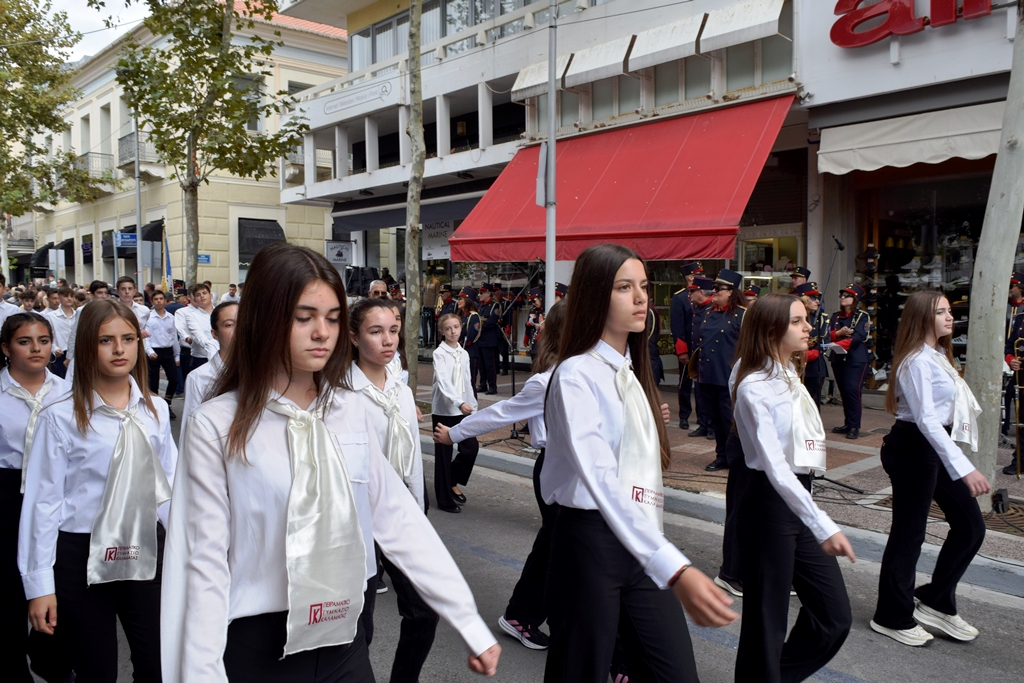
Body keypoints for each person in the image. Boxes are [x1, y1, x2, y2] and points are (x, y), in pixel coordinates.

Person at [161, 243, 500, 681]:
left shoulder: (350, 409)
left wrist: (467, 619)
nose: (322, 332)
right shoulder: (217, 424)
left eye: (333, 318)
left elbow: (398, 519)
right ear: (266, 318)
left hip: (344, 641)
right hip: (258, 646)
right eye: (304, 317)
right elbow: (202, 565)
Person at [541, 244, 736, 683]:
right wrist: (677, 567)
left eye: (644, 286)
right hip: (589, 541)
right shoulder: (576, 376)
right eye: (624, 287)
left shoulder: (631, 370)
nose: (641, 298)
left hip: (641, 537)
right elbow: (600, 478)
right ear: (594, 296)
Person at [20, 299, 176, 682]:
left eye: (127, 338)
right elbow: (43, 503)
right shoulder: (61, 417)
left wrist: (185, 550)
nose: (119, 349)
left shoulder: (155, 410)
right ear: (88, 345)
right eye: (106, 340)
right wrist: (39, 585)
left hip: (145, 545)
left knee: (160, 662)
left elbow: (170, 487)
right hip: (82, 552)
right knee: (97, 668)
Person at [730, 293, 855, 682]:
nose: (808, 327)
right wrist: (824, 525)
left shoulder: (788, 373)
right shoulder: (754, 385)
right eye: (798, 321)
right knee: (767, 619)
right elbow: (775, 467)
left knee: (835, 617)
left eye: (806, 319)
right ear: (771, 330)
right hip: (769, 500)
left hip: (798, 498)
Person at [435, 301, 566, 652]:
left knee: (555, 548)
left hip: (580, 475)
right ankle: (537, 619)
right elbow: (500, 413)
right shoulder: (546, 381)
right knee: (566, 550)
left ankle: (527, 616)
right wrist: (455, 433)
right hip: (557, 470)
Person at [870, 290, 990, 647]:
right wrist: (965, 467)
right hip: (913, 447)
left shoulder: (938, 355)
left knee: (971, 527)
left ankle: (937, 600)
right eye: (941, 312)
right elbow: (925, 420)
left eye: (950, 311)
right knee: (910, 534)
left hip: (935, 447)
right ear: (922, 317)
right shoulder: (916, 361)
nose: (950, 317)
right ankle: (891, 615)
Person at [347, 297, 437, 683]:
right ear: (352, 336)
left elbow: (413, 458)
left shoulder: (400, 390)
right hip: (358, 517)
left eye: (393, 331)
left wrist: (417, 511)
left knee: (424, 611)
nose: (388, 340)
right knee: (358, 621)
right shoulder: (339, 393)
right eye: (375, 331)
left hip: (399, 512)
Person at [0, 312, 72, 682]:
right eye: (25, 342)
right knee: (11, 588)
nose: (36, 349)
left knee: (54, 583)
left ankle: (49, 658)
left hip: (54, 494)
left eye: (43, 341)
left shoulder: (67, 390)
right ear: (6, 348)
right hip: (7, 494)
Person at [699, 269, 746, 471]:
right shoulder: (709, 312)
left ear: (731, 292)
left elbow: (748, 347)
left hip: (728, 376)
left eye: (720, 288)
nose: (714, 291)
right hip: (708, 374)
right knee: (715, 421)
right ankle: (722, 456)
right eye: (714, 287)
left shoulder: (742, 315)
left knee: (730, 422)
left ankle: (736, 458)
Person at [432, 312, 480, 513]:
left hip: (462, 409)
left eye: (456, 327)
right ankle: (444, 500)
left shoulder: (464, 353)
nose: (453, 332)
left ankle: (451, 479)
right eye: (448, 328)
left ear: (461, 328)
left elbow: (468, 381)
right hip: (445, 409)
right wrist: (459, 402)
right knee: (443, 455)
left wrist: (471, 404)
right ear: (442, 331)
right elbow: (443, 382)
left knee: (471, 447)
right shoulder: (439, 354)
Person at [180, 301, 238, 425]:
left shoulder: (261, 372)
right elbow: (190, 425)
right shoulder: (199, 378)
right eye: (229, 325)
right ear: (215, 333)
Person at [829, 283, 870, 439]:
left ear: (855, 299)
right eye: (842, 295)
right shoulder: (836, 316)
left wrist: (837, 341)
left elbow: (859, 337)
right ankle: (848, 423)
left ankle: (854, 426)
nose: (843, 298)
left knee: (852, 391)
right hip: (838, 357)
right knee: (844, 392)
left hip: (856, 359)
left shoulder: (862, 316)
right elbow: (827, 334)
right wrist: (838, 333)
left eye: (847, 296)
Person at [671, 263, 703, 430]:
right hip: (687, 347)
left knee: (700, 383)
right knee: (684, 383)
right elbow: (677, 327)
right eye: (697, 274)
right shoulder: (679, 297)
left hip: (700, 346)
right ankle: (684, 416)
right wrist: (681, 351)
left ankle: (701, 417)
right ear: (690, 277)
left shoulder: (703, 294)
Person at [144, 290, 181, 419]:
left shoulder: (171, 317)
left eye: (161, 298)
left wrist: (177, 355)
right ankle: (154, 407)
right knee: (153, 382)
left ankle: (167, 403)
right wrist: (150, 352)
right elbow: (146, 338)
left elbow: (174, 338)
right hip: (154, 351)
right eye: (156, 299)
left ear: (165, 301)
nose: (159, 301)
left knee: (174, 379)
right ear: (152, 302)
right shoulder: (149, 317)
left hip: (168, 351)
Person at [687, 277, 715, 440]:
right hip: (698, 357)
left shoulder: (711, 309)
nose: (689, 294)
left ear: (702, 292)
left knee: (709, 394)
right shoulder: (699, 308)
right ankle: (703, 424)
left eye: (693, 291)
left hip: (709, 358)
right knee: (700, 393)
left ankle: (711, 426)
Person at [796, 282, 829, 408]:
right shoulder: (793, 318)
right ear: (804, 300)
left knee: (813, 401)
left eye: (818, 298)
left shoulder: (822, 318)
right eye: (813, 298)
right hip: (796, 365)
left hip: (814, 366)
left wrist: (809, 354)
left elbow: (825, 340)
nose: (817, 301)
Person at [183, 282, 218, 371]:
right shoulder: (191, 315)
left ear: (211, 296)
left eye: (204, 293)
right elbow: (198, 336)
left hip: (222, 357)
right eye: (198, 295)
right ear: (194, 299)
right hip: (201, 359)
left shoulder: (220, 312)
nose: (202, 296)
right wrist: (212, 348)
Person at [45, 286, 77, 379]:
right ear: (59, 298)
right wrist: (54, 349)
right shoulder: (51, 316)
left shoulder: (78, 315)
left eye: (71, 296)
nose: (69, 298)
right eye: (66, 296)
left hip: (76, 355)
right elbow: (48, 336)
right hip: (60, 354)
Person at [477, 284, 501, 395]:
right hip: (480, 339)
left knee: (490, 365)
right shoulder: (480, 306)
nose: (479, 295)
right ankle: (483, 384)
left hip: (489, 339)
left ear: (488, 293)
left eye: (481, 293)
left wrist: (479, 327)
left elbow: (492, 321)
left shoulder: (494, 306)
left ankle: (492, 386)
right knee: (481, 365)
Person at [458, 287, 482, 395]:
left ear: (468, 301)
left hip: (470, 352)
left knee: (470, 382)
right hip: (460, 351)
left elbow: (472, 335)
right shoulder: (461, 316)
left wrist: (462, 342)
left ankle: (473, 406)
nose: (458, 301)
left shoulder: (473, 316)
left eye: (461, 299)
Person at [525, 287, 544, 357]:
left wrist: (540, 325)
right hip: (533, 340)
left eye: (534, 301)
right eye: (531, 302)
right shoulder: (533, 310)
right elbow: (527, 325)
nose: (533, 304)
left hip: (542, 341)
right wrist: (526, 339)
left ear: (540, 298)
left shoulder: (546, 309)